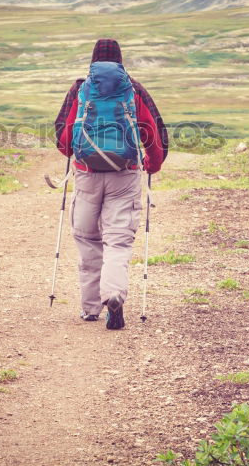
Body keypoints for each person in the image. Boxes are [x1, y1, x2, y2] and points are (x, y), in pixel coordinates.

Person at [54, 39, 168, 329]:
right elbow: (155, 131)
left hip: (87, 174)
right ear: (120, 60)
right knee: (118, 239)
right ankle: (114, 294)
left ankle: (90, 308)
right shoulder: (134, 88)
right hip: (125, 174)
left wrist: (74, 151)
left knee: (88, 238)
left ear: (93, 60)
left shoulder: (80, 88)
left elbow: (63, 137)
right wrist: (151, 164)